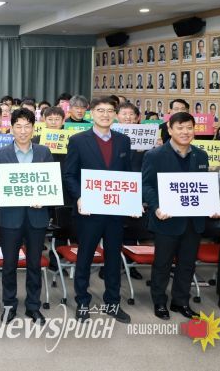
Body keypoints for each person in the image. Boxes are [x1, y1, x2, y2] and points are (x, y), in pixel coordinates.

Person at [142, 112, 220, 320]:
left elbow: (203, 187)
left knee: (187, 264)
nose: (185, 132)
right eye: (180, 127)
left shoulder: (201, 155)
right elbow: (146, 185)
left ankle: (181, 301)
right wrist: (156, 207)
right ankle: (159, 301)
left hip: (193, 221)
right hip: (166, 219)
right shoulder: (155, 155)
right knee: (162, 263)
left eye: (189, 127)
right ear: (170, 130)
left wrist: (212, 205)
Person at [64, 96, 133, 323]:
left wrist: (133, 201)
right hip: (89, 210)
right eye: (100, 110)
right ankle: (82, 302)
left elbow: (128, 175)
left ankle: (113, 302)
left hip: (115, 210)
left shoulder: (123, 141)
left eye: (110, 110)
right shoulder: (77, 140)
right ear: (91, 113)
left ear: (115, 115)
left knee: (113, 258)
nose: (105, 114)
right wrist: (79, 197)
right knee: (85, 257)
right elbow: (69, 174)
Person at [0, 109, 53, 324]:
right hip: (10, 217)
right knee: (9, 264)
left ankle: (33, 306)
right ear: (11, 128)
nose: (23, 131)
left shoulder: (43, 152)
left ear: (33, 128)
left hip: (37, 216)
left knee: (34, 264)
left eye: (27, 126)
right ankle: (9, 305)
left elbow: (52, 182)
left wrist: (45, 198)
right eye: (18, 126)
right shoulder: (1, 153)